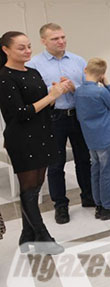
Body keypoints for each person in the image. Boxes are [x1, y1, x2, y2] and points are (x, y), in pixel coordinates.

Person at [0, 31, 69, 254]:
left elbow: (42, 105)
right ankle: (42, 237)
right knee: (29, 190)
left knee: (35, 186)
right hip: (22, 139)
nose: (28, 51)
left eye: (29, 46)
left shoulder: (33, 72)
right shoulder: (4, 77)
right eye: (21, 48)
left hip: (42, 134)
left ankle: (27, 235)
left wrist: (56, 93)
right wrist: (51, 96)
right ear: (6, 50)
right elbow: (20, 113)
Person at [26, 23, 93, 224]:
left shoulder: (78, 60)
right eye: (55, 38)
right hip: (52, 117)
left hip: (78, 115)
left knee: (84, 159)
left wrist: (74, 88)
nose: (61, 41)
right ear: (43, 41)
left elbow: (89, 89)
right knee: (56, 164)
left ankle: (88, 196)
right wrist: (52, 91)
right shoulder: (34, 65)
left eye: (63, 37)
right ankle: (61, 205)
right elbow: (31, 95)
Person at [74, 58, 110, 220]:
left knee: (96, 170)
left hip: (90, 136)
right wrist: (108, 85)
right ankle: (109, 206)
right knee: (106, 172)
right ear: (101, 75)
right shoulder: (101, 91)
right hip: (105, 135)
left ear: (85, 70)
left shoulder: (78, 91)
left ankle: (99, 204)